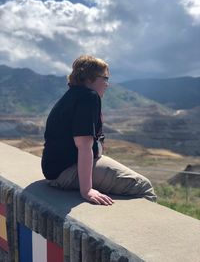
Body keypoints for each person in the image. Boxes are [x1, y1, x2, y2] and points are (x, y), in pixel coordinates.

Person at [41, 55, 157, 206]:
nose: (107, 84)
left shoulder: (72, 95)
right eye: (105, 78)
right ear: (89, 78)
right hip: (67, 172)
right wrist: (87, 190)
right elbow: (83, 146)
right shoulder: (89, 97)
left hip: (57, 170)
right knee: (144, 187)